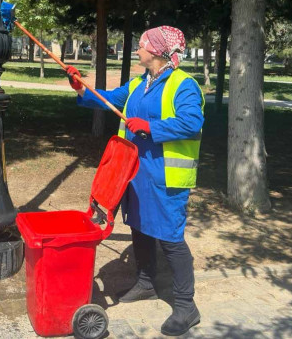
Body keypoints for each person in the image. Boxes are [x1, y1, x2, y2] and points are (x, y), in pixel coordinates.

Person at [66, 26, 204, 337]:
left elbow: (191, 122)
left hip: (166, 175)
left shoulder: (183, 84)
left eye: (141, 45)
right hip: (135, 172)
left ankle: (186, 306)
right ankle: (146, 283)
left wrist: (151, 127)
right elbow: (108, 99)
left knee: (170, 238)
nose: (137, 49)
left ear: (156, 50)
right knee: (140, 227)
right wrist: (81, 88)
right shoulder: (140, 83)